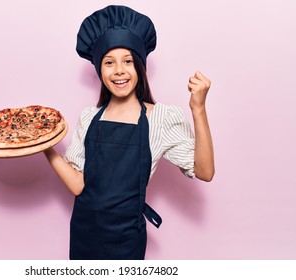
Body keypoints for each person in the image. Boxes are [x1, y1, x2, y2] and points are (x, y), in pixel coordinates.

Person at [43, 5, 214, 260]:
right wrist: (44, 145)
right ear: (100, 70)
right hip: (83, 236)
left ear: (140, 67)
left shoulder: (161, 118)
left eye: (128, 61)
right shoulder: (89, 117)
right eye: (109, 62)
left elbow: (205, 171)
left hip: (127, 241)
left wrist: (198, 108)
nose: (119, 70)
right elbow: (79, 186)